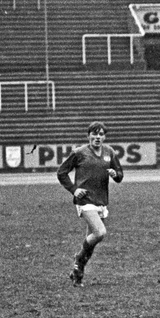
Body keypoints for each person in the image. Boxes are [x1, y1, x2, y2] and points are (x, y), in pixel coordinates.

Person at [57, 121, 123, 287]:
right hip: (85, 200)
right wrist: (73, 190)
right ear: (88, 136)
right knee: (100, 233)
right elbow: (61, 172)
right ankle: (79, 258)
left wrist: (115, 174)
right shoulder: (79, 153)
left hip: (101, 200)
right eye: (94, 134)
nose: (98, 137)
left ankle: (77, 273)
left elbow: (120, 175)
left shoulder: (110, 152)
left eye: (101, 134)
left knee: (91, 242)